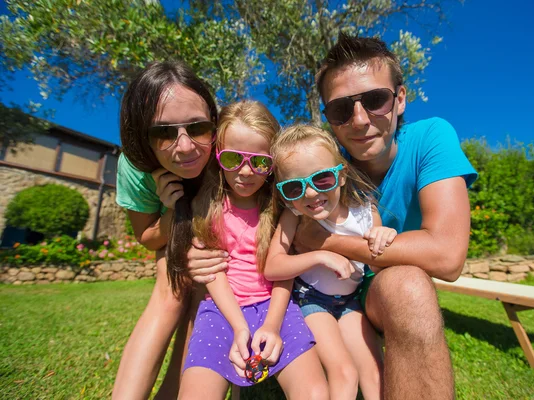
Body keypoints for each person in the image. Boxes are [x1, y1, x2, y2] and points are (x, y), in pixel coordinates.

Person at [290, 33, 478, 399]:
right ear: (328, 118)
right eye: (341, 109)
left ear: (401, 98)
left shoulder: (431, 138)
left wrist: (328, 242)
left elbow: (446, 255)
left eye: (375, 100)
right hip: (329, 292)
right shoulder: (323, 172)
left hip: (380, 290)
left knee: (405, 285)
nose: (359, 120)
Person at [173, 101, 329, 399]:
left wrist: (271, 324)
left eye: (259, 162)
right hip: (220, 310)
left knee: (315, 392)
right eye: (233, 158)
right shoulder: (206, 206)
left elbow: (284, 270)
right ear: (218, 156)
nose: (245, 172)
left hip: (277, 308)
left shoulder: (282, 208)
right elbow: (212, 272)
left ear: (272, 164)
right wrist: (239, 326)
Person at [113, 61, 230, 399]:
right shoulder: (136, 167)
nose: (185, 146)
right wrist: (169, 210)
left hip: (221, 236)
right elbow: (147, 237)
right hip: (173, 228)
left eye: (197, 127)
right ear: (141, 135)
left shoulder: (227, 147)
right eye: (163, 132)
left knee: (204, 297)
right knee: (171, 291)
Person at [264, 124, 396, 400]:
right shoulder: (293, 215)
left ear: (342, 174)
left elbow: (378, 268)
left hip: (351, 302)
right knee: (344, 372)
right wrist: (321, 255)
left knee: (374, 372)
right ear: (284, 193)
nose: (310, 193)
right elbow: (273, 266)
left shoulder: (366, 213)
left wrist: (384, 235)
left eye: (322, 179)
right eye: (294, 187)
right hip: (311, 300)